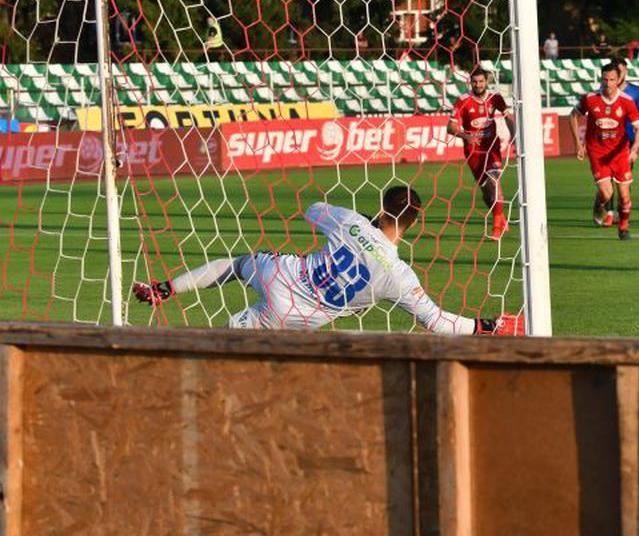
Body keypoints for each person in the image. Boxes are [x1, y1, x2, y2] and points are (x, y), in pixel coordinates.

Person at [133, 185, 524, 335]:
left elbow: (311, 208)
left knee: (239, 264)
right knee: (234, 346)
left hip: (283, 276)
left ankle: (166, 288)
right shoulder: (400, 276)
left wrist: (356, 221)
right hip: (299, 318)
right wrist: (487, 324)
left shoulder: (352, 223)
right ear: (413, 224)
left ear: (382, 209)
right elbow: (438, 323)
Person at [572, 62, 639, 241]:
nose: (608, 84)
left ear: (619, 80)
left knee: (624, 195)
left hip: (620, 153)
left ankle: (623, 228)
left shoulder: (627, 101)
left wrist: (634, 149)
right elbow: (573, 116)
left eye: (612, 80)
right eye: (605, 79)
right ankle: (598, 206)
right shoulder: (590, 99)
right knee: (606, 193)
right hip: (597, 152)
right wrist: (578, 144)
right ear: (601, 79)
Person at [447, 67, 516, 240]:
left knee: (494, 181)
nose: (478, 85)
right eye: (475, 82)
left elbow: (508, 118)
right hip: (473, 152)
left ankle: (496, 227)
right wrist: (465, 135)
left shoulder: (496, 98)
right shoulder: (463, 101)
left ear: (487, 82)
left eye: (481, 81)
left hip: (492, 148)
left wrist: (514, 137)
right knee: (486, 192)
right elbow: (451, 127)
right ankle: (500, 216)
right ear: (471, 82)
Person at [591, 58, 639, 226]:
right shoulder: (603, 92)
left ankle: (620, 211)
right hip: (607, 143)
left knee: (623, 180)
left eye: (622, 71)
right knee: (608, 181)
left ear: (625, 72)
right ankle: (609, 213)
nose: (620, 74)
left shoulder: (635, 91)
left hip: (627, 142)